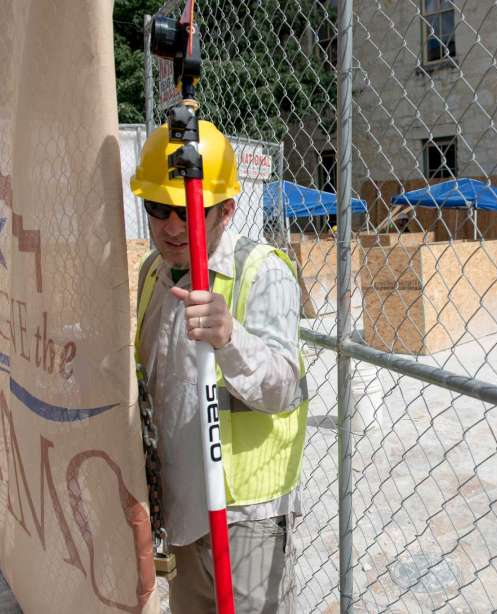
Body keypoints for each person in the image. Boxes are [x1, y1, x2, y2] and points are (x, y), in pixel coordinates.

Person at [130, 120, 308, 613]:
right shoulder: (152, 274)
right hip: (184, 507)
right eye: (157, 209)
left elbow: (283, 388)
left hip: (244, 515)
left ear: (226, 210)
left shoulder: (263, 270)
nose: (170, 226)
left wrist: (230, 339)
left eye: (187, 211)